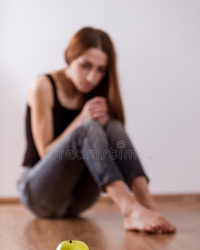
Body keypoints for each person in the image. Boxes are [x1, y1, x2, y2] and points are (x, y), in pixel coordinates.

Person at [16, 26, 176, 234]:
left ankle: (148, 206)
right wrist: (81, 120)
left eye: (100, 70)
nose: (91, 77)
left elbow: (115, 148)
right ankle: (129, 209)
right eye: (85, 65)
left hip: (78, 201)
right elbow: (45, 153)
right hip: (38, 193)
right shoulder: (43, 86)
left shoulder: (97, 91)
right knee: (88, 127)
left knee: (113, 126)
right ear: (69, 57)